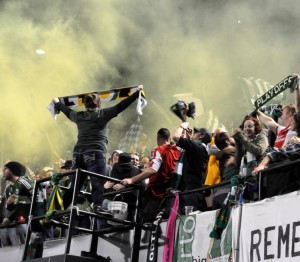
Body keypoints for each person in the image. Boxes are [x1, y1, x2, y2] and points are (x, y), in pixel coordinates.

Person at [52, 88, 142, 214]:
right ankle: (97, 206)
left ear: (84, 104)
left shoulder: (79, 116)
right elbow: (121, 106)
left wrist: (57, 103)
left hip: (77, 154)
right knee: (98, 181)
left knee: (75, 185)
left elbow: (67, 111)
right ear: (99, 104)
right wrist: (136, 94)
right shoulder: (102, 114)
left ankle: (58, 210)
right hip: (94, 152)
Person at [121, 128, 181, 222]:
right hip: (169, 191)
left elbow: (153, 170)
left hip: (155, 192)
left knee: (146, 220)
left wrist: (131, 180)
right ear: (169, 138)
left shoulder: (159, 150)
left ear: (158, 138)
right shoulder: (177, 150)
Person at [173, 122, 211, 213]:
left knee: (187, 223)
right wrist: (189, 137)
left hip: (190, 194)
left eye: (196, 132)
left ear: (201, 136)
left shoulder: (198, 147)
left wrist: (182, 126)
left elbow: (176, 138)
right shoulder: (201, 148)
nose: (193, 133)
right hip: (192, 192)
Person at [256, 74, 300, 148]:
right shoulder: (283, 130)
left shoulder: (298, 129)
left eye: (283, 112)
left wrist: (296, 86)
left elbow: (298, 106)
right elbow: (269, 121)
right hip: (275, 158)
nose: (281, 115)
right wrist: (257, 111)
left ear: (289, 114)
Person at [0, 161, 33, 246]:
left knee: (26, 247)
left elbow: (37, 197)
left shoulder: (24, 182)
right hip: (13, 223)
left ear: (13, 170)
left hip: (28, 222)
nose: (3, 170)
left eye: (5, 169)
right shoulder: (7, 189)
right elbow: (9, 208)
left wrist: (17, 199)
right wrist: (9, 204)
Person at [103, 152, 142, 221]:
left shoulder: (135, 171)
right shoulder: (115, 167)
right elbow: (111, 183)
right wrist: (105, 186)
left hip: (128, 202)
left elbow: (141, 187)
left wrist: (125, 187)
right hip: (112, 199)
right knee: (104, 204)